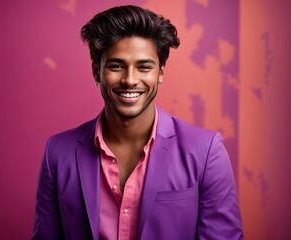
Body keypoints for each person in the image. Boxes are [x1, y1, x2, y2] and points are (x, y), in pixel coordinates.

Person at [32, 5, 243, 240]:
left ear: (160, 73)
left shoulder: (206, 152)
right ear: (96, 71)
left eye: (144, 67)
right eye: (116, 66)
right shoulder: (58, 153)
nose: (130, 80)